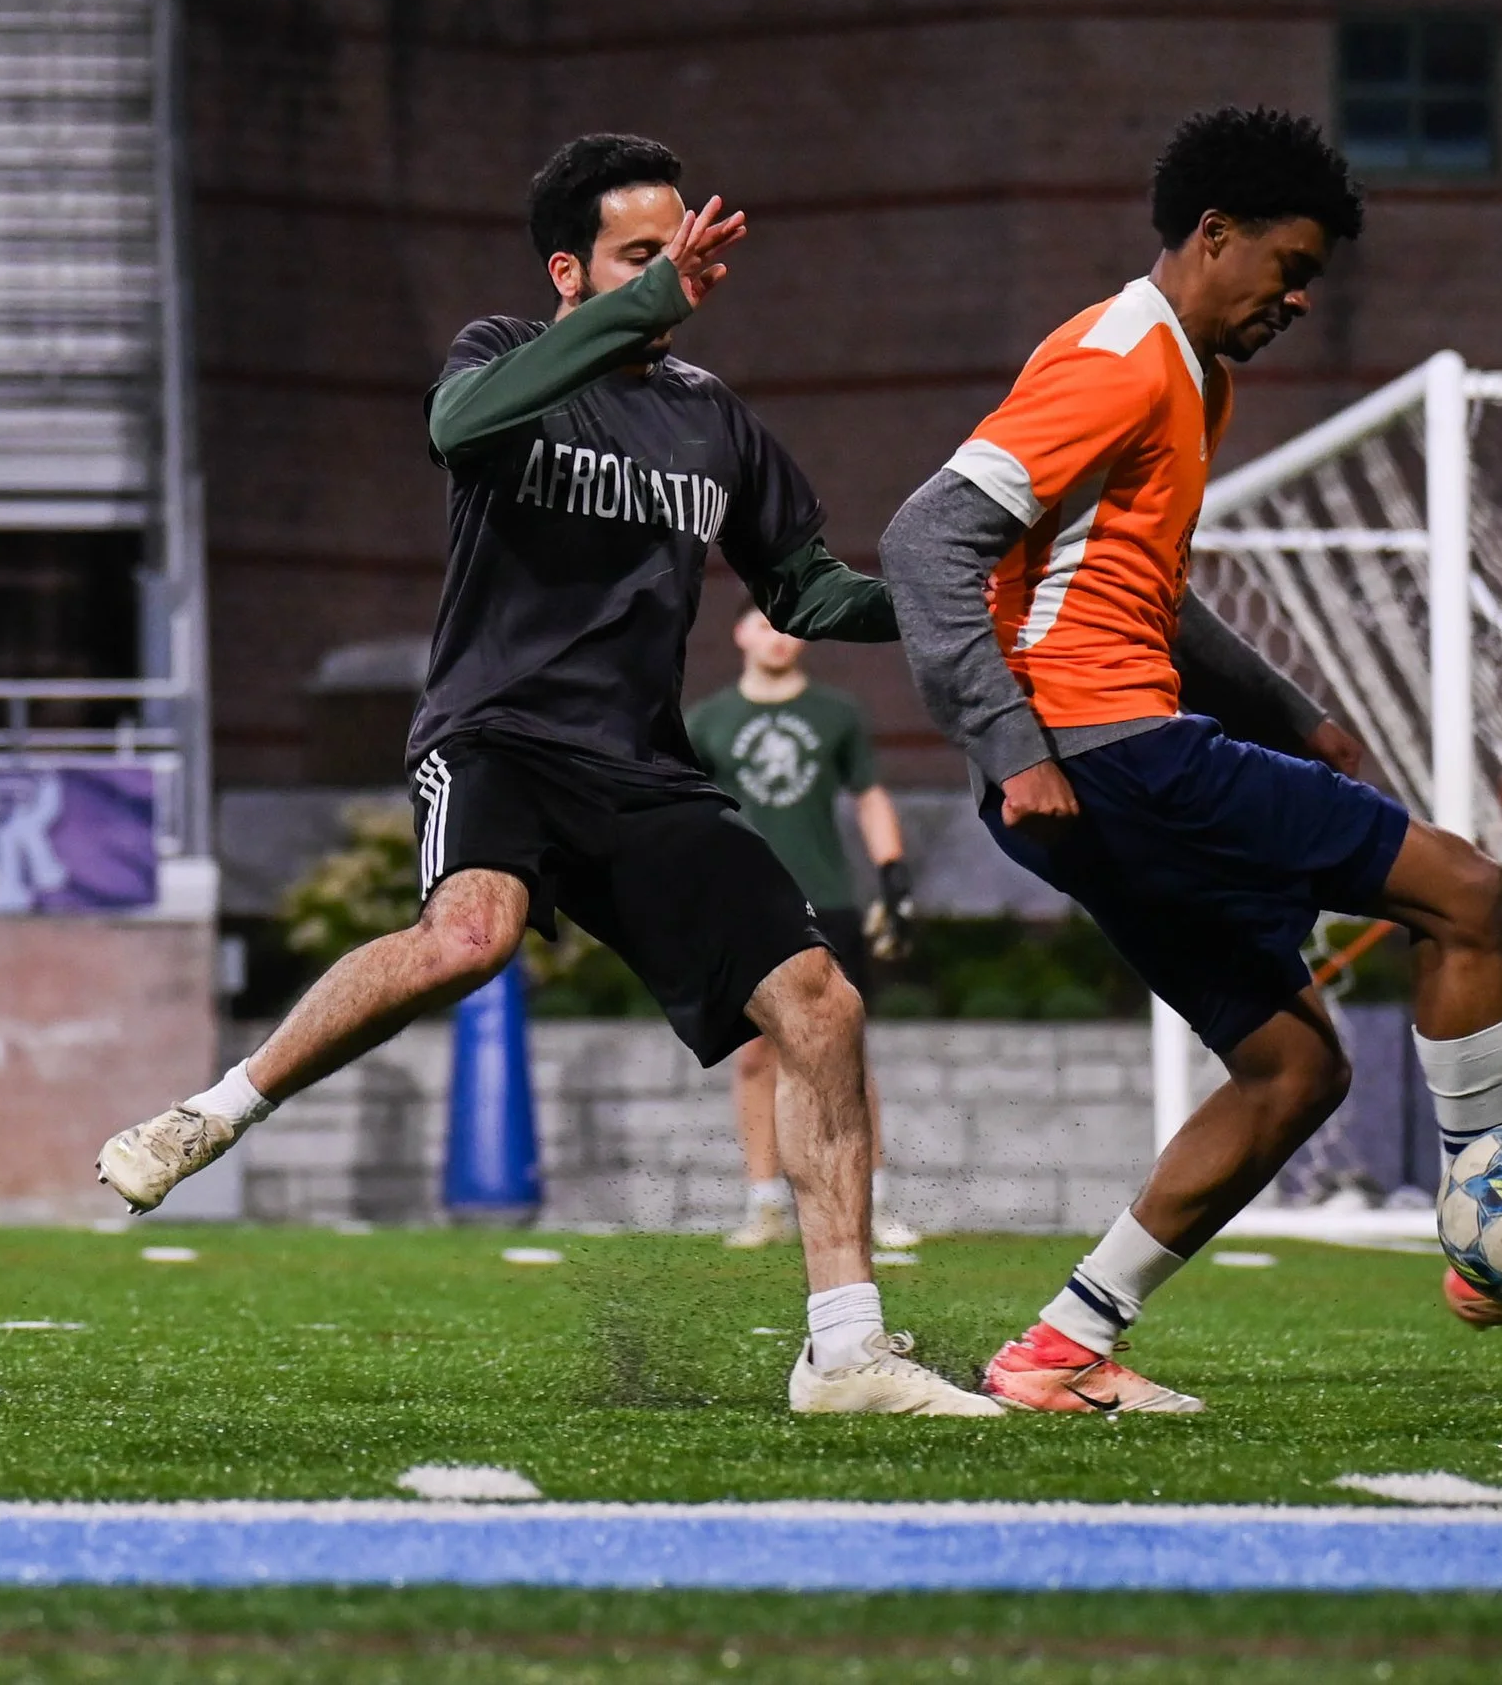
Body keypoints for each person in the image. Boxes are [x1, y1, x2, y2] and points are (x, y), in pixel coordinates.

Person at [98, 132, 999, 1419]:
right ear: (570, 272)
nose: (683, 269)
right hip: (499, 734)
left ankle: (846, 1352)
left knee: (822, 1006)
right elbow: (454, 427)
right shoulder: (497, 361)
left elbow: (806, 589)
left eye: (689, 246)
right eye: (647, 253)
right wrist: (646, 301)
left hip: (640, 765)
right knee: (471, 936)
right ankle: (215, 1111)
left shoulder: (715, 420)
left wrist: (959, 599)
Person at [881, 105, 1502, 1416]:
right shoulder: (1119, 357)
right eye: (1290, 267)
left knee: (1294, 1067)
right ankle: (1499, 1253)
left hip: (1098, 767)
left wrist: (1291, 710)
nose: (1301, 297)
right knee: (1467, 891)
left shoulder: (1193, 373)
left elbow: (1147, 593)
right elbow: (927, 539)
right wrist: (1009, 743)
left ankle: (1058, 1353)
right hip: (1116, 754)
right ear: (1214, 236)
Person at [687, 606, 921, 1253]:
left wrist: (893, 874)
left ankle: (872, 1205)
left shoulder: (837, 713)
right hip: (746, 903)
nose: (777, 638)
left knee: (844, 1054)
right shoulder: (706, 721)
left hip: (829, 899)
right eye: (763, 625)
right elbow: (687, 816)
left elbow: (869, 796)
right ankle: (764, 1204)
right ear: (739, 634)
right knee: (755, 1053)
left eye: (787, 626)